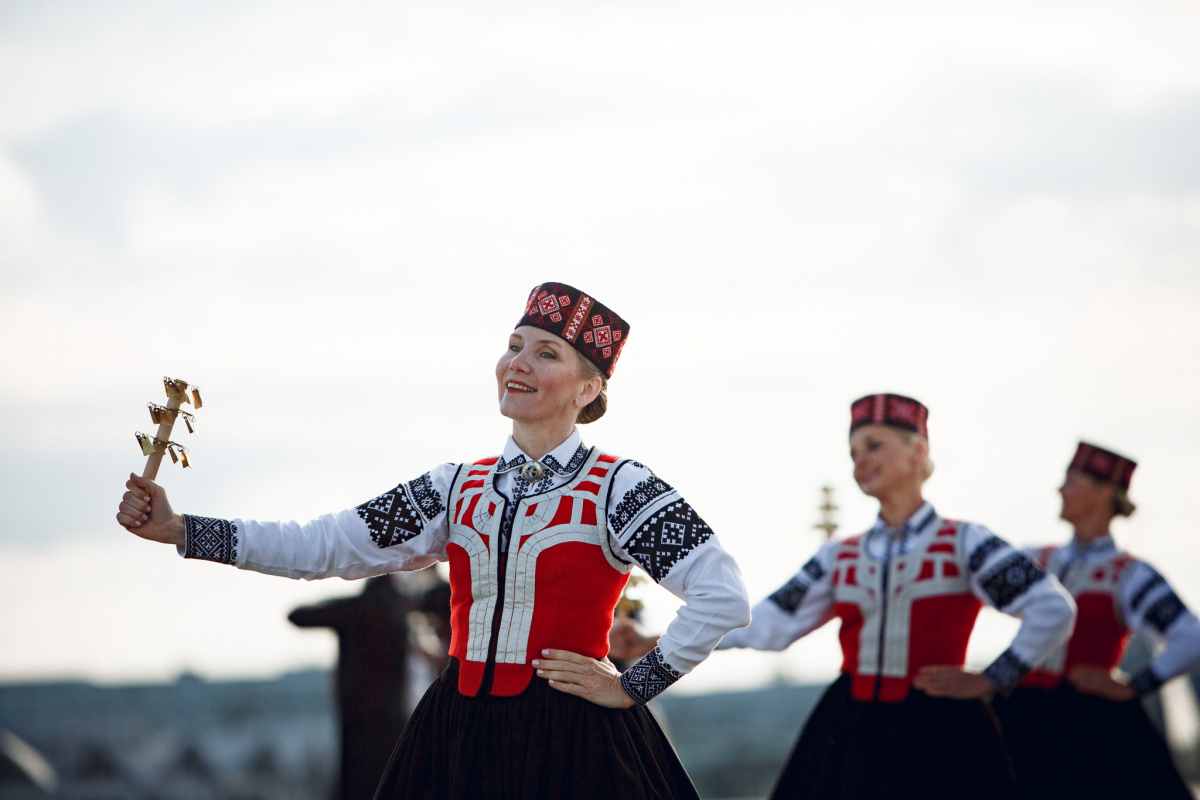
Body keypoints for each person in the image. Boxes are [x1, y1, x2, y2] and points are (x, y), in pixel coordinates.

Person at [115, 282, 751, 800]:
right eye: (513, 346)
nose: (518, 363)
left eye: (546, 353)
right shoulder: (454, 488)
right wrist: (183, 530)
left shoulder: (620, 488)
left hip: (575, 744)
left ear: (589, 391)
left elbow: (722, 595)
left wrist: (634, 686)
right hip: (458, 737)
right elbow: (328, 546)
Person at [713, 393, 1076, 800]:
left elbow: (1053, 608)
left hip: (943, 730)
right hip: (852, 728)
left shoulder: (965, 542)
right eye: (853, 453)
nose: (860, 462)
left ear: (918, 450)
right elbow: (767, 624)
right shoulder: (839, 555)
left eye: (873, 445)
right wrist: (664, 641)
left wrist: (994, 677)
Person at [991, 442, 1200, 800]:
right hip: (1020, 715)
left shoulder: (1128, 574)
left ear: (1105, 492)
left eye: (1072, 481)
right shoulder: (1035, 558)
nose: (1061, 490)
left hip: (1085, 723)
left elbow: (1191, 638)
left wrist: (1134, 686)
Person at [288, 576, 414, 800]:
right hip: (394, 713)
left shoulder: (355, 609)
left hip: (358, 714)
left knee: (356, 781)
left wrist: (336, 603)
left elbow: (297, 616)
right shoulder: (401, 609)